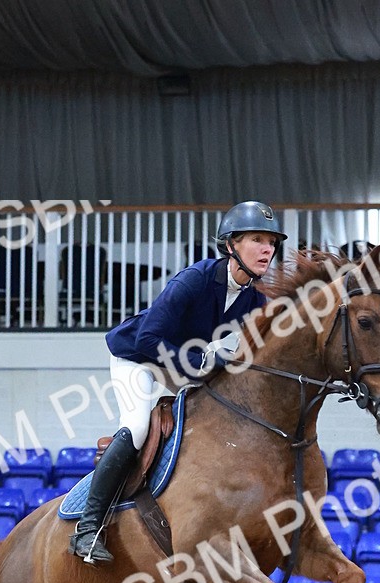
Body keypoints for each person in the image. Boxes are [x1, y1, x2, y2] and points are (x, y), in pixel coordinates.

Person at [70, 200, 286, 564]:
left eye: (272, 242)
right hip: (139, 359)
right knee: (138, 427)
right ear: (231, 244)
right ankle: (87, 529)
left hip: (185, 368)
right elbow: (147, 339)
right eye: (257, 239)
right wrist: (200, 361)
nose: (268, 249)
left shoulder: (256, 301)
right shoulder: (195, 279)